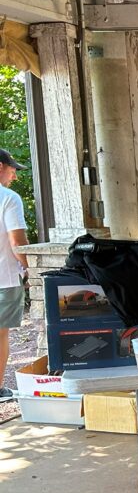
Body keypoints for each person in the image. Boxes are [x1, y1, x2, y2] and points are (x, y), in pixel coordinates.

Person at [0, 149, 29, 401]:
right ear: (0, 167)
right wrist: (28, 268)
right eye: (12, 170)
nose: (15, 177)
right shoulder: (8, 198)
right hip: (4, 278)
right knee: (0, 334)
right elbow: (16, 240)